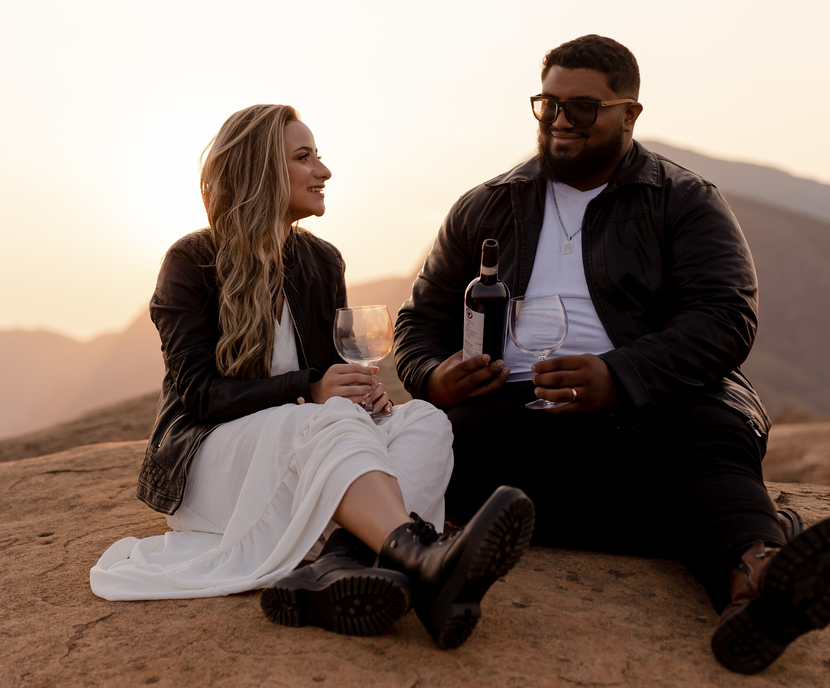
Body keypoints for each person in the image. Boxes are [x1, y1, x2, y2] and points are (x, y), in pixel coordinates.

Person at [394, 36, 830, 674]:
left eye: (582, 108)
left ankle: (757, 586)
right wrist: (433, 375)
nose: (560, 121)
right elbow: (419, 321)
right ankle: (745, 534)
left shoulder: (683, 199)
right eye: (547, 105)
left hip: (657, 408)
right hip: (515, 411)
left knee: (706, 437)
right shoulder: (486, 205)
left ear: (630, 113)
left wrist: (620, 374)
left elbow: (725, 316)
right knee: (449, 448)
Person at [90, 104, 534, 649]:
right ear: (260, 170)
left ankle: (341, 564)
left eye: (318, 156)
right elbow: (201, 395)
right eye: (304, 157)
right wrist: (312, 390)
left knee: (425, 420)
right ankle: (421, 559)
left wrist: (358, 394)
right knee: (324, 420)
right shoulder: (192, 261)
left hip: (301, 447)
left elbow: (329, 379)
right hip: (213, 462)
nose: (323, 171)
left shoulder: (322, 262)